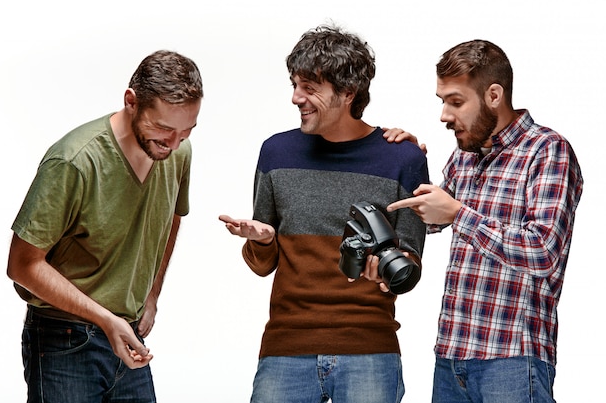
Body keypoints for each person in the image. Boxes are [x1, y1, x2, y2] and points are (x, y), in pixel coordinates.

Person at [219, 25, 429, 403]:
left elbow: (410, 264)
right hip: (286, 347)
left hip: (369, 348)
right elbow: (261, 264)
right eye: (294, 85)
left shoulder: (403, 159)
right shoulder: (276, 154)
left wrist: (383, 270)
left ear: (348, 93)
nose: (296, 98)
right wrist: (262, 241)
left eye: (310, 87)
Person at [388, 40, 583, 403]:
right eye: (442, 100)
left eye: (456, 102)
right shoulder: (465, 155)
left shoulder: (547, 150)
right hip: (450, 358)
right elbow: (430, 220)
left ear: (494, 95)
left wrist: (459, 214)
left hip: (512, 360)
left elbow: (543, 251)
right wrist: (402, 160)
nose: (444, 115)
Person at [7, 50, 203, 403]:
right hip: (62, 337)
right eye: (163, 128)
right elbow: (22, 264)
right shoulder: (74, 160)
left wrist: (152, 294)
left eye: (186, 131)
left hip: (126, 334)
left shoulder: (177, 153)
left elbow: (172, 214)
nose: (173, 143)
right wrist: (105, 319)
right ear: (131, 101)